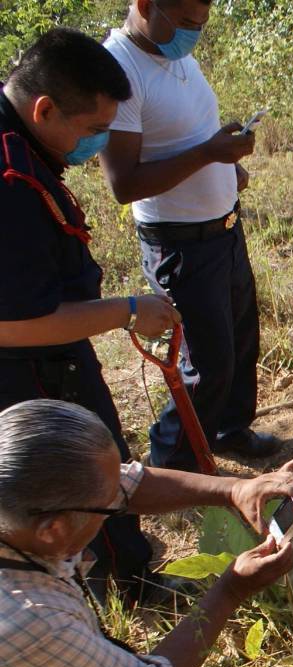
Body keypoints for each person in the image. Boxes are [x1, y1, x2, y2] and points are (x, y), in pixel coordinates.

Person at [0, 399, 293, 667]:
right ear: (53, 531)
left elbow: (127, 484)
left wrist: (236, 489)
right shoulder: (32, 622)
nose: (118, 502)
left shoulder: (20, 502)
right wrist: (231, 589)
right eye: (108, 507)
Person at [0, 27, 182, 601]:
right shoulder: (9, 185)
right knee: (82, 476)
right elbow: (16, 322)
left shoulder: (23, 140)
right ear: (45, 108)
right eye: (92, 131)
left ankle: (121, 571)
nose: (99, 145)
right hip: (31, 371)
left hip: (48, 359)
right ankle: (118, 587)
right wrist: (127, 310)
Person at [100, 0, 282, 471]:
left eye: (201, 25)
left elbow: (190, 135)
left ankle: (227, 430)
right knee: (208, 361)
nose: (193, 34)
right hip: (179, 243)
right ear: (144, 5)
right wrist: (209, 154)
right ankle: (171, 465)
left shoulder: (176, 53)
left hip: (223, 227)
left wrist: (228, 164)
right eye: (184, 23)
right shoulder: (119, 70)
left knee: (240, 340)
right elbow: (124, 183)